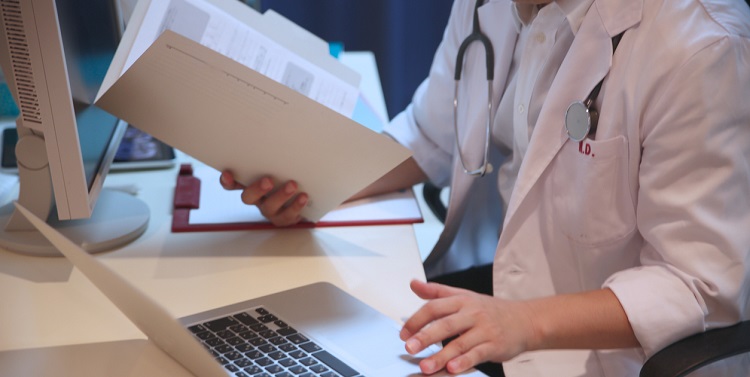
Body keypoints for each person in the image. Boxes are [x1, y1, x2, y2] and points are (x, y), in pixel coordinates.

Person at [220, 0, 750, 375]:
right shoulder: (490, 5)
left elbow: (694, 285)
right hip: (511, 307)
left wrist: (523, 321)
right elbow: (432, 134)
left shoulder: (701, 48)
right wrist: (312, 183)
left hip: (614, 358)